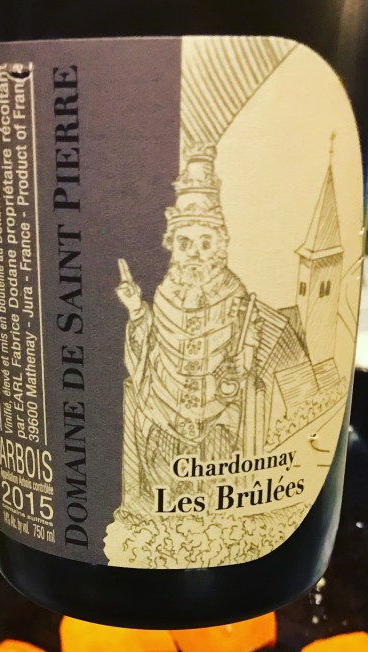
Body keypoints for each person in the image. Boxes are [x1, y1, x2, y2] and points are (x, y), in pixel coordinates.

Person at [114, 148, 261, 513]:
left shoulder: (235, 295)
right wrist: (136, 309)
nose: (195, 253)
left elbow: (247, 348)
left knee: (215, 483)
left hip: (216, 415)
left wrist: (237, 368)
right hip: (166, 411)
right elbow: (149, 348)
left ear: (220, 247)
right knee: (160, 480)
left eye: (205, 243)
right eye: (185, 243)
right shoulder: (165, 293)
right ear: (173, 246)